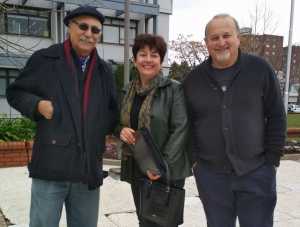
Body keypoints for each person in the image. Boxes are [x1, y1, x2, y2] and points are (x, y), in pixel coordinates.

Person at [6, 5, 118, 227]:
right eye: (83, 27)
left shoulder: (105, 71)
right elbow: (15, 92)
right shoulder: (44, 59)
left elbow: (113, 112)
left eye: (95, 30)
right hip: (51, 167)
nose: (89, 33)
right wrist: (37, 105)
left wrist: (109, 133)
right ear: (69, 27)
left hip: (87, 171)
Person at [183, 14, 286, 227]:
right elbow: (187, 125)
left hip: (257, 173)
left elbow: (276, 115)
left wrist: (272, 162)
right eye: (214, 38)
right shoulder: (193, 80)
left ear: (238, 38)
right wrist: (195, 163)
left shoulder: (260, 70)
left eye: (226, 35)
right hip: (212, 178)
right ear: (206, 43)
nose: (221, 42)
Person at [119, 33, 191, 227]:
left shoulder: (174, 89)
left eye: (154, 55)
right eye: (142, 54)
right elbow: (123, 122)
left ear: (161, 60)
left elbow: (181, 129)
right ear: (135, 60)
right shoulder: (128, 91)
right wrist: (122, 130)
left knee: (163, 223)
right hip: (138, 166)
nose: (148, 60)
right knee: (145, 220)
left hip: (167, 169)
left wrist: (159, 167)